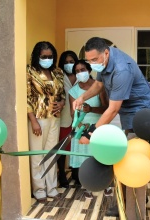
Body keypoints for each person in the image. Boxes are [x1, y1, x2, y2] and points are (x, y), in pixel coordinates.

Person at [72, 37, 150, 217]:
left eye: (94, 60)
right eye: (89, 60)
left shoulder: (121, 70)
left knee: (135, 157)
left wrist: (90, 132)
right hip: (127, 111)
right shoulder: (104, 63)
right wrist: (82, 98)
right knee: (125, 155)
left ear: (106, 53)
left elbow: (112, 109)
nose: (92, 64)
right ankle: (126, 201)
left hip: (141, 113)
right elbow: (99, 84)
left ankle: (135, 204)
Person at [27, 41, 65, 203]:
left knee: (51, 154)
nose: (47, 59)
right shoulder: (30, 72)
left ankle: (52, 188)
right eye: (44, 56)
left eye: (50, 57)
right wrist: (33, 121)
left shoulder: (57, 72)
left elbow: (62, 94)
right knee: (37, 155)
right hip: (39, 118)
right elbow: (27, 98)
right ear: (37, 56)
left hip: (55, 118)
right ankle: (39, 189)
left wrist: (62, 103)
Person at [68, 59, 111, 198]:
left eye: (83, 70)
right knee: (85, 159)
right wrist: (81, 127)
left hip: (98, 126)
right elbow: (72, 113)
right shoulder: (73, 91)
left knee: (101, 157)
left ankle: (105, 184)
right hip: (82, 128)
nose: (80, 73)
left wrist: (91, 109)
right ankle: (87, 186)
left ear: (89, 70)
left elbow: (106, 108)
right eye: (77, 71)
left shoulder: (98, 87)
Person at [57, 50, 79, 188]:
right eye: (66, 62)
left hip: (80, 118)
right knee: (63, 147)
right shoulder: (59, 77)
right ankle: (62, 175)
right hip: (63, 118)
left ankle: (77, 174)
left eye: (71, 62)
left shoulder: (81, 76)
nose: (69, 64)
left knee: (77, 147)